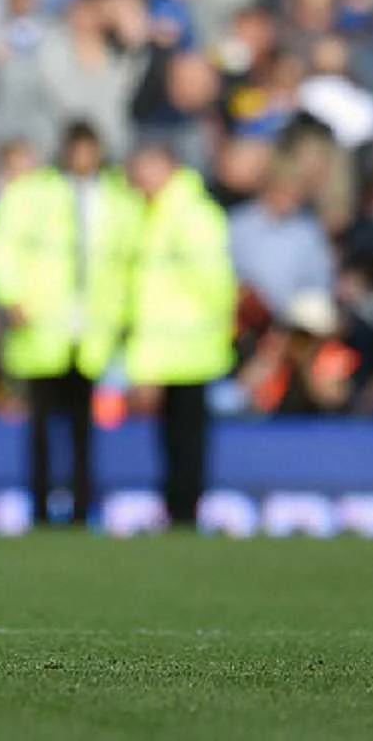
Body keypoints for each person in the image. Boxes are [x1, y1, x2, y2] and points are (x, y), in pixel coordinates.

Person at [0, 122, 140, 525]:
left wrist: (123, 314)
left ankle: (83, 508)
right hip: (43, 328)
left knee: (85, 428)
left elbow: (130, 263)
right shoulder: (33, 194)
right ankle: (41, 509)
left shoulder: (118, 200)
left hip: (91, 333)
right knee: (43, 428)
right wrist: (11, 296)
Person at [126, 143, 237, 527]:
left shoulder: (191, 215)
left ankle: (186, 509)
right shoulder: (153, 214)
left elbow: (214, 282)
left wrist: (216, 325)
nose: (140, 177)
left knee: (188, 434)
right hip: (166, 347)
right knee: (172, 435)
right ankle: (176, 507)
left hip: (191, 345)